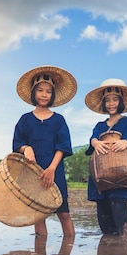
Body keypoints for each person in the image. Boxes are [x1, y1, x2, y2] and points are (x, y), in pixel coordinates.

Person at [13, 65, 77, 236]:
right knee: (39, 215)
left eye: (48, 91)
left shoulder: (59, 120)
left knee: (63, 213)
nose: (44, 94)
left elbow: (62, 146)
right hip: (32, 173)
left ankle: (67, 253)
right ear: (34, 93)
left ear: (53, 94)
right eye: (40, 90)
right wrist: (26, 148)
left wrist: (51, 169)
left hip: (55, 172)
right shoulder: (25, 120)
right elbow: (17, 143)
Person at [84, 78, 127, 236]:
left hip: (121, 175)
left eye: (115, 99)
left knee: (121, 216)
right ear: (103, 103)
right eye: (108, 100)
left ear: (122, 101)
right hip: (101, 177)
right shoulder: (99, 126)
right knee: (104, 219)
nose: (111, 103)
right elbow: (92, 141)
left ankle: (124, 252)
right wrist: (96, 142)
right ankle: (108, 253)